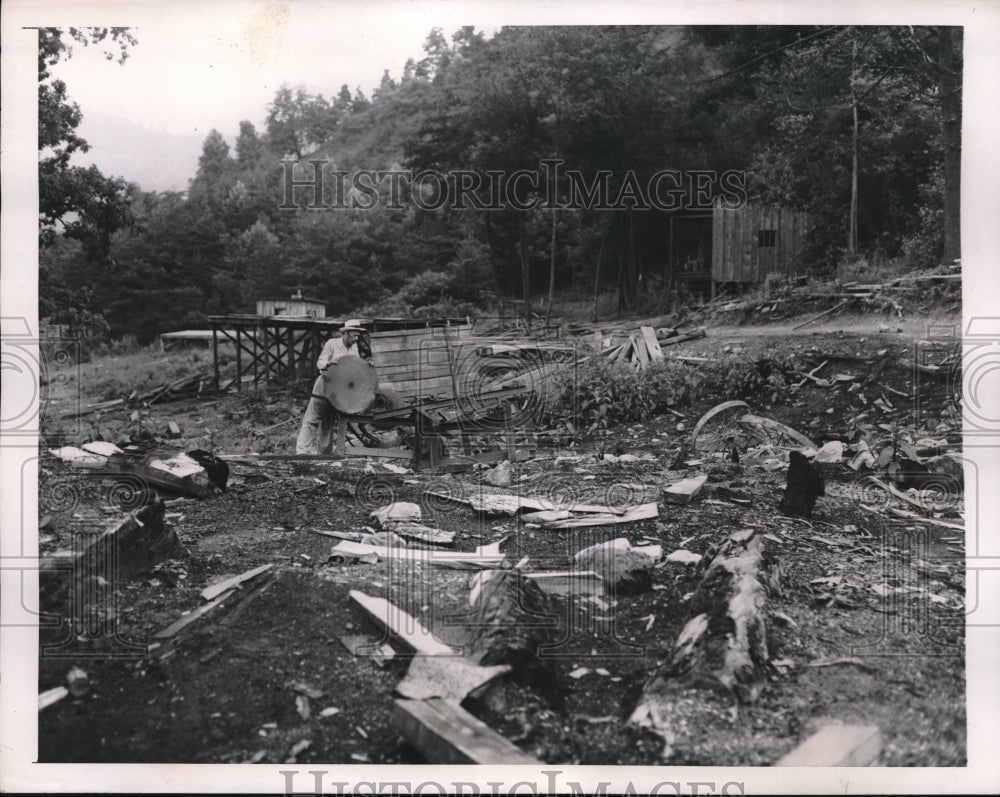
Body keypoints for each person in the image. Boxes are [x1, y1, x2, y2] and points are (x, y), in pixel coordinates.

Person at [295, 320, 373, 454]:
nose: (356, 339)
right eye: (354, 335)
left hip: (338, 390)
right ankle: (302, 452)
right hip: (324, 385)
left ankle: (324, 454)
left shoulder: (354, 348)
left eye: (358, 336)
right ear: (346, 333)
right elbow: (320, 362)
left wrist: (366, 365)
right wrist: (329, 363)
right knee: (312, 420)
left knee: (328, 422)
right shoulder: (332, 344)